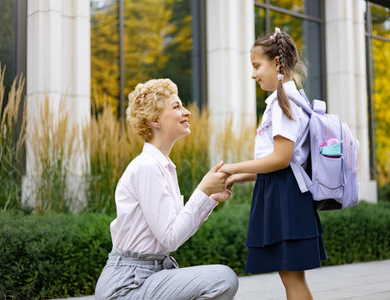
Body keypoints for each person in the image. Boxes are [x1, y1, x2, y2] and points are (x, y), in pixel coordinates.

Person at [95, 78, 238, 300]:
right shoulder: (147, 167)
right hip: (126, 286)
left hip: (148, 277)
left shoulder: (164, 167)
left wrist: (209, 197)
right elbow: (170, 239)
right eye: (176, 106)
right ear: (154, 120)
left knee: (223, 279)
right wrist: (202, 189)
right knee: (222, 278)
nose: (187, 112)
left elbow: (173, 233)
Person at [220, 28, 327, 300]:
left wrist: (233, 166)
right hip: (284, 193)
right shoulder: (290, 100)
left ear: (277, 64)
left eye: (257, 66)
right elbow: (282, 164)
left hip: (285, 198)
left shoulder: (283, 103)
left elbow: (282, 159)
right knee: (290, 276)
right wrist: (242, 176)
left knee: (292, 278)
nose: (253, 74)